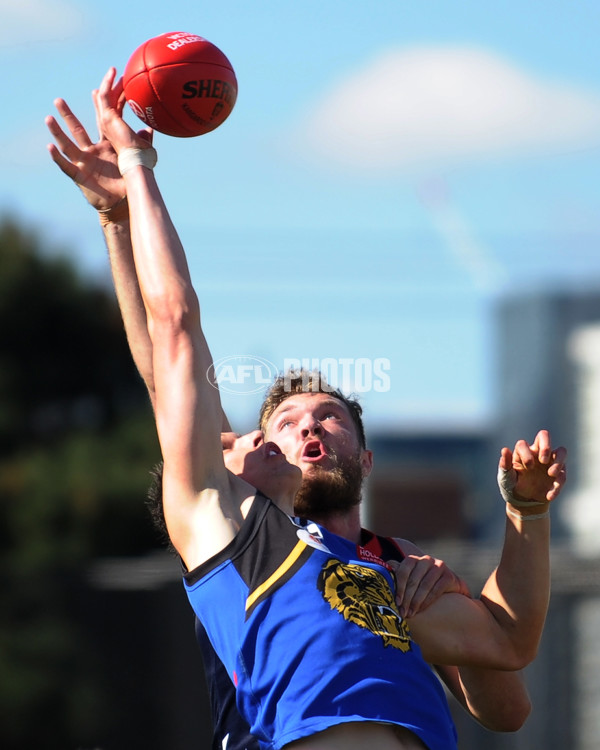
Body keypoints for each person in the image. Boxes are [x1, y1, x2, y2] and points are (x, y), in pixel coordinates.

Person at [46, 71, 566, 750]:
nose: (305, 429)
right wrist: (130, 191)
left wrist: (524, 515)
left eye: (328, 417)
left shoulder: (384, 581)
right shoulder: (227, 531)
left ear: (366, 456)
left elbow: (509, 647)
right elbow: (166, 344)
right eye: (280, 425)